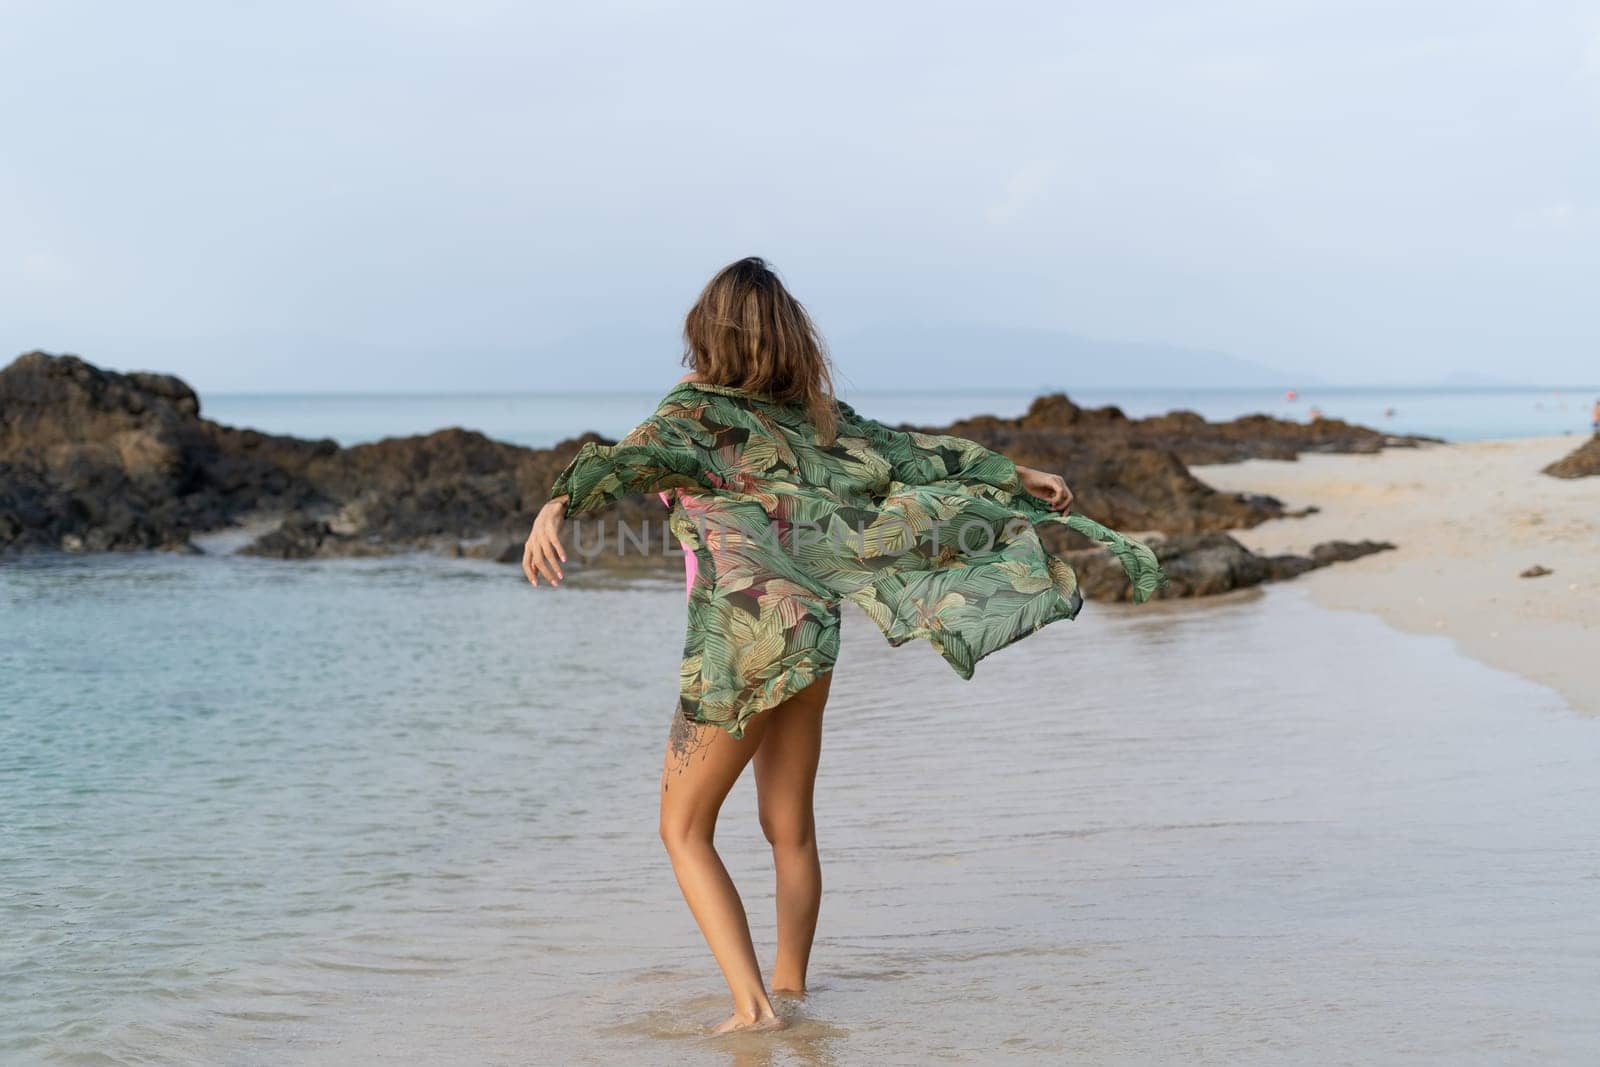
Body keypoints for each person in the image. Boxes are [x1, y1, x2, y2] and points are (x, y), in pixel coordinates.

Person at [521, 257, 1168, 1034]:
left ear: (707, 332)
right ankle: (790, 991)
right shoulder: (821, 418)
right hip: (815, 630)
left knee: (683, 828)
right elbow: (909, 453)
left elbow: (621, 462)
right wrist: (1015, 473)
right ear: (787, 336)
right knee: (788, 827)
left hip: (744, 637)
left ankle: (753, 1009)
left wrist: (555, 506)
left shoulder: (690, 414)